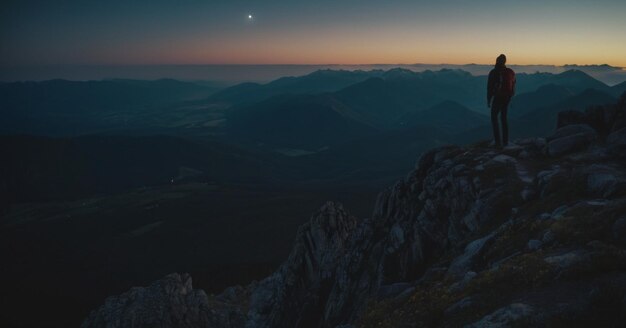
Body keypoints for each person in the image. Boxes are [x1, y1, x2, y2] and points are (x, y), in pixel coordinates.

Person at [487, 54, 516, 148]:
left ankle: (498, 142)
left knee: (494, 118)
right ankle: (505, 141)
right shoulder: (510, 71)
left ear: (497, 61)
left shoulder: (494, 72)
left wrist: (488, 99)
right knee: (504, 118)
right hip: (507, 97)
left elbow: (489, 87)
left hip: (498, 97)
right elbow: (514, 83)